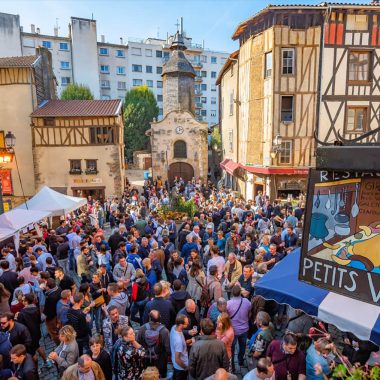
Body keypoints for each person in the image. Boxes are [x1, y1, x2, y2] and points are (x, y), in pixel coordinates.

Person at [137, 310, 170, 379]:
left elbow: (137, 342)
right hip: (159, 360)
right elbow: (168, 349)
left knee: (147, 376)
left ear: (149, 318)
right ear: (160, 317)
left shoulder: (142, 328)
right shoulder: (164, 331)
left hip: (145, 358)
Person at [227, 285, 251, 369]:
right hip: (244, 329)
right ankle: (240, 360)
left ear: (232, 293)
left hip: (233, 330)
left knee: (232, 349)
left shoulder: (228, 304)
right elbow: (249, 313)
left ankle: (232, 365)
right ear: (240, 292)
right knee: (242, 347)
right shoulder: (247, 301)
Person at [170, 314, 189, 380]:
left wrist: (188, 341)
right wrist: (186, 367)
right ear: (181, 325)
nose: (188, 323)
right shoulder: (178, 341)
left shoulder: (174, 327)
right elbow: (177, 359)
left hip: (176, 366)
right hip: (180, 368)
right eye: (186, 323)